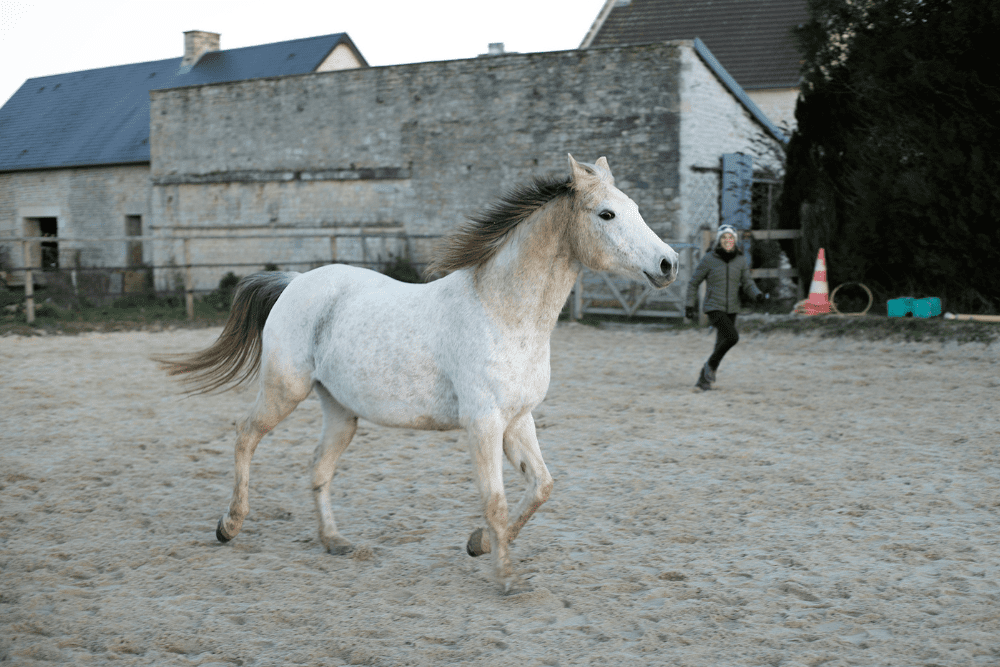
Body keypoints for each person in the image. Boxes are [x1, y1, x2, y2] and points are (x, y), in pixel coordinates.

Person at [685, 225, 765, 391]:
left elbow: (748, 282)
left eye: (730, 238)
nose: (727, 241)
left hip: (732, 308)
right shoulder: (709, 259)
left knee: (720, 344)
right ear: (719, 241)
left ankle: (703, 380)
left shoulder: (740, 260)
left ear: (734, 241)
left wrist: (757, 294)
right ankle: (707, 368)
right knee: (732, 337)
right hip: (714, 307)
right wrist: (689, 304)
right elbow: (694, 282)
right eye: (724, 238)